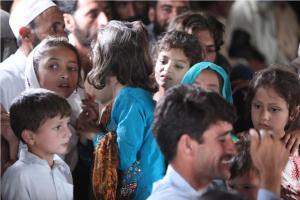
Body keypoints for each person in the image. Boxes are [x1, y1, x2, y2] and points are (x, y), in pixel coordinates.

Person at [148, 84, 289, 199]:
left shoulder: (209, 191)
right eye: (222, 139)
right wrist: (270, 180)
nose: (232, 149)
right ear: (188, 145)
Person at [86, 20, 165, 200]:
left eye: (97, 51)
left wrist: (93, 135)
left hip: (142, 193)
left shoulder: (130, 99)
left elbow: (122, 158)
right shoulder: (136, 95)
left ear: (108, 60)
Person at [1, 88, 73, 200]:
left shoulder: (62, 167)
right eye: (58, 127)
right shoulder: (18, 177)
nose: (68, 133)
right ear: (30, 136)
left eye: (67, 124)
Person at [0, 0, 66, 112]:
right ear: (26, 35)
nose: (64, 37)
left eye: (63, 29)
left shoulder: (63, 75)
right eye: (54, 28)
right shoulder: (3, 81)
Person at [246, 67, 300, 199]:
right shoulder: (235, 145)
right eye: (257, 106)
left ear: (293, 113)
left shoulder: (297, 151)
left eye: (274, 109)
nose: (264, 116)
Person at [56, 0, 110, 78]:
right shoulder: (60, 71)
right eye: (93, 15)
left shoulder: (123, 55)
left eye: (107, 12)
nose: (105, 21)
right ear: (68, 22)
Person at [153, 30, 204, 101]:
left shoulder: (193, 110)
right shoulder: (139, 103)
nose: (167, 69)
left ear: (192, 73)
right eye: (163, 61)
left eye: (178, 66)